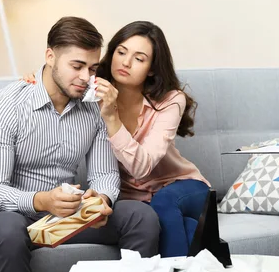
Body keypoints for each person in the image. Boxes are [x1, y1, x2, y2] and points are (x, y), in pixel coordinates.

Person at [0, 16, 160, 272]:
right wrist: (42, 200)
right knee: (9, 231)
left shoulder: (93, 109)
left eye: (92, 68)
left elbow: (105, 175)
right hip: (11, 215)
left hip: (68, 217)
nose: (86, 77)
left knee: (141, 216)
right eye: (76, 66)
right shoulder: (3, 107)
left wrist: (100, 199)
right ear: (50, 56)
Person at [25, 20, 211, 258]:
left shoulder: (170, 100)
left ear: (152, 68)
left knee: (164, 204)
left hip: (183, 188)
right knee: (184, 228)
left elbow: (140, 168)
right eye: (121, 52)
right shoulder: (89, 92)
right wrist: (35, 79)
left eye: (139, 58)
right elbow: (57, 79)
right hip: (137, 201)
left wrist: (112, 117)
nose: (125, 62)